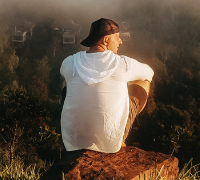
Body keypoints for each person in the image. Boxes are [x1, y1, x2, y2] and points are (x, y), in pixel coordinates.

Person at [60, 18, 154, 155]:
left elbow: (64, 73)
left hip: (74, 141)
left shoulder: (69, 62)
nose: (120, 42)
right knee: (143, 81)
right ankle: (119, 135)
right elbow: (149, 73)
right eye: (117, 38)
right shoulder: (123, 64)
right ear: (105, 40)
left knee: (67, 82)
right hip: (110, 144)